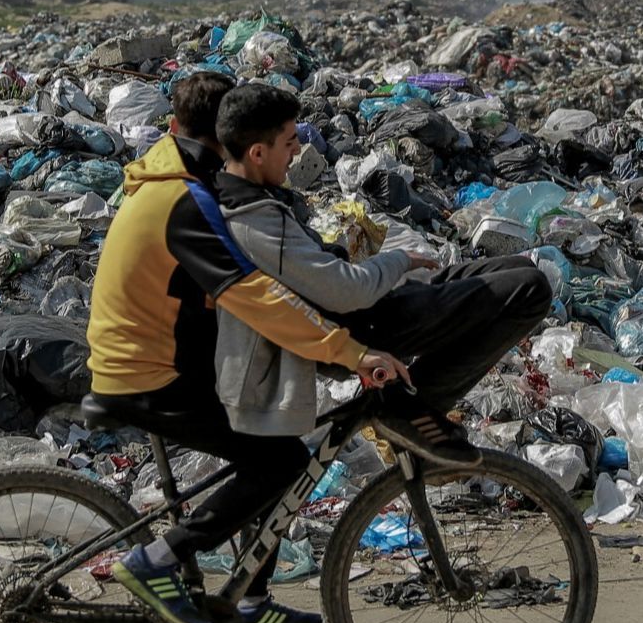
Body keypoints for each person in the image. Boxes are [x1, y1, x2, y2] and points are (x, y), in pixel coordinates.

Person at [86, 72, 400, 623]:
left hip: (146, 356)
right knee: (280, 462)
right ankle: (155, 561)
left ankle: (251, 595)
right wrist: (350, 352)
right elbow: (252, 293)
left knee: (272, 441)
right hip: (147, 372)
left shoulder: (168, 171)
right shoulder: (187, 197)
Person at [213, 83, 553, 459]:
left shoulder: (248, 201)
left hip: (371, 307)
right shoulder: (255, 222)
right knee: (530, 288)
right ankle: (412, 409)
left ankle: (408, 404)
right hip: (362, 322)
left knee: (516, 267)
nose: (297, 152)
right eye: (289, 142)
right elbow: (346, 291)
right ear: (257, 152)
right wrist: (399, 261)